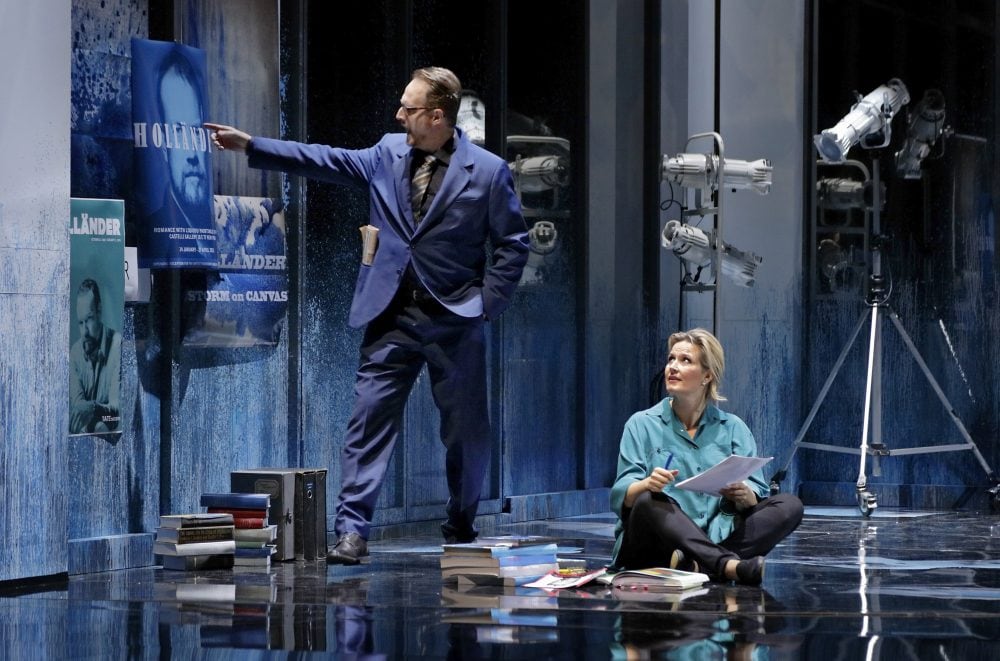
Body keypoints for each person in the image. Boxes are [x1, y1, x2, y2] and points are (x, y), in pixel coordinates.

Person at [206, 66, 530, 564]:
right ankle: (352, 532)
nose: (398, 115)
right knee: (367, 424)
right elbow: (323, 159)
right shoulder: (386, 153)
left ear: (437, 116)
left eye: (409, 108)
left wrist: (487, 303)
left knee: (466, 433)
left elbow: (513, 244)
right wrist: (252, 146)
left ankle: (462, 518)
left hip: (454, 318)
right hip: (390, 314)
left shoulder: (487, 171)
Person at [610, 328, 803, 585]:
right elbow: (621, 494)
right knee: (647, 501)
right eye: (671, 359)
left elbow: (757, 491)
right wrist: (646, 484)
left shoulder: (733, 428)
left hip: (716, 538)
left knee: (790, 505)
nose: (672, 367)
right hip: (654, 546)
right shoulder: (641, 424)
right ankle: (725, 565)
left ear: (707, 375)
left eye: (685, 360)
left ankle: (700, 565)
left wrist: (746, 496)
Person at [149, 49, 214, 258]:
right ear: (163, 144)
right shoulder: (153, 242)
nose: (192, 153)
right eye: (178, 132)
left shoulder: (226, 228)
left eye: (196, 131)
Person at [69, 278, 122, 434]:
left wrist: (92, 408)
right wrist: (98, 425)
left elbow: (116, 412)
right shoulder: (75, 354)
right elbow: (78, 414)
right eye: (80, 323)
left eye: (89, 319)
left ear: (99, 311)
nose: (84, 331)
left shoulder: (117, 345)